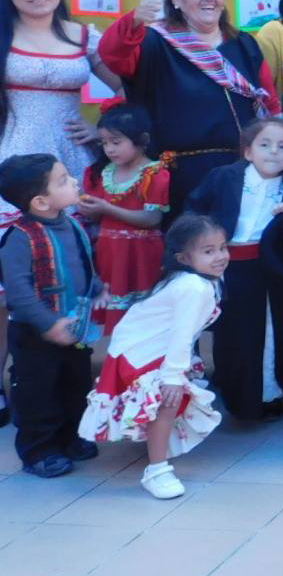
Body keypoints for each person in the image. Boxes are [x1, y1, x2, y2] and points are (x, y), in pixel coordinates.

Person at [101, 0, 281, 213]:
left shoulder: (243, 44)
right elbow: (113, 55)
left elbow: (270, 102)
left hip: (244, 169)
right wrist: (135, 21)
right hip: (180, 175)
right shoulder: (154, 42)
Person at [78, 214, 227, 499]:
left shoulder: (201, 279)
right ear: (183, 258)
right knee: (165, 403)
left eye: (222, 247)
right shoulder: (193, 286)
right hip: (142, 350)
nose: (220, 256)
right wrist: (172, 376)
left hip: (149, 346)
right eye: (209, 251)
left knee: (168, 402)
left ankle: (158, 450)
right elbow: (182, 335)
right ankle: (157, 470)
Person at [186, 117, 283, 421]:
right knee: (231, 333)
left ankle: (267, 393)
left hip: (267, 267)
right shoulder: (225, 177)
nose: (273, 152)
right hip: (226, 265)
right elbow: (194, 210)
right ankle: (235, 392)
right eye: (264, 144)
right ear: (248, 151)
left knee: (269, 332)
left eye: (282, 146)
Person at [0, 153, 100, 478]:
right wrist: (48, 323)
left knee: (76, 385)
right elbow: (18, 292)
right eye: (63, 180)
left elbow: (84, 263)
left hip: (73, 327)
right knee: (37, 393)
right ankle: (39, 451)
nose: (73, 181)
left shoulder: (71, 224)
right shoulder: (19, 238)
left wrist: (98, 289)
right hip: (35, 334)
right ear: (41, 202)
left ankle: (71, 438)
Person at [0, 0, 119, 217]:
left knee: (75, 243)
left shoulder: (84, 36)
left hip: (71, 157)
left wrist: (102, 130)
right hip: (10, 157)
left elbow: (127, 88)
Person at [77, 105, 168, 334]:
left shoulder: (154, 173)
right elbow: (96, 214)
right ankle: (117, 365)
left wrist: (107, 208)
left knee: (144, 315)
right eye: (104, 143)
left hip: (142, 254)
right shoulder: (102, 172)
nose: (109, 149)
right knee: (116, 318)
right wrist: (90, 209)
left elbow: (151, 218)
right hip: (111, 253)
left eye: (116, 142)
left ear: (142, 139)